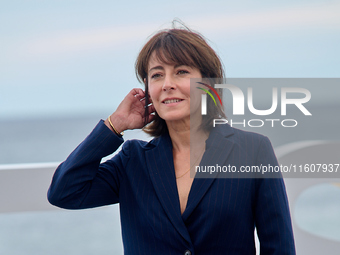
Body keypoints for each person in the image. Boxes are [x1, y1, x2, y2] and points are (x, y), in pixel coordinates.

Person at [48, 25, 295, 254]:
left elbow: (279, 246)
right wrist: (114, 126)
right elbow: (64, 192)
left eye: (181, 72)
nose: (167, 84)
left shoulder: (253, 150)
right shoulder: (132, 161)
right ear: (147, 88)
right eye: (156, 75)